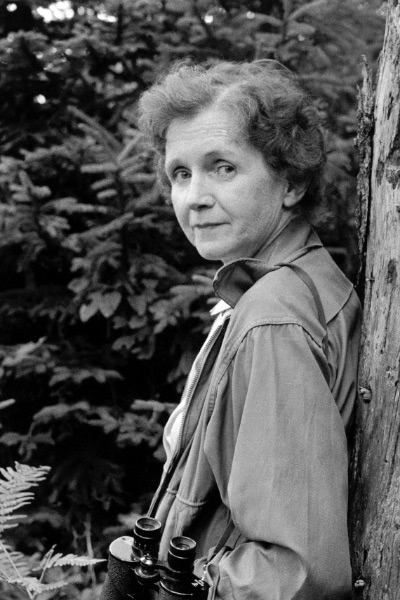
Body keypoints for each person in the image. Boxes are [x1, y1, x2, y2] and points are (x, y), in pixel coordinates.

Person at [106, 60, 362, 599]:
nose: (194, 196)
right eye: (181, 173)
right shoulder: (287, 286)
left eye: (222, 167)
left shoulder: (273, 316)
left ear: (291, 181)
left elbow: (297, 570)